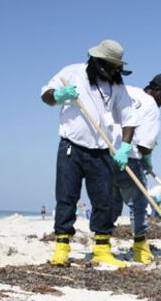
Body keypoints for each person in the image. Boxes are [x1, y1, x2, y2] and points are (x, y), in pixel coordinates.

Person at [41, 39, 139, 267]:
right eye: (112, 66)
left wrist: (125, 146)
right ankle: (62, 247)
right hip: (71, 147)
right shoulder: (72, 72)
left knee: (104, 201)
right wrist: (58, 96)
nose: (116, 71)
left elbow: (129, 117)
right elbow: (45, 95)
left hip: (102, 152)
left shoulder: (116, 85)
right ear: (98, 62)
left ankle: (102, 249)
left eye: (117, 67)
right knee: (66, 198)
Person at [109, 74, 161, 264]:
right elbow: (145, 145)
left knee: (110, 204)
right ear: (156, 89)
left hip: (106, 154)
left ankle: (102, 245)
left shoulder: (126, 91)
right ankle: (140, 248)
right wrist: (147, 158)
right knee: (138, 205)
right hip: (130, 158)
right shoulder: (152, 106)